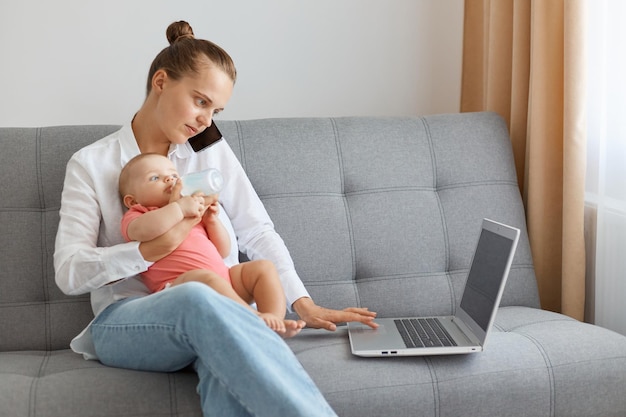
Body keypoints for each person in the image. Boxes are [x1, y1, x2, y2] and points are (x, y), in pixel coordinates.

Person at [54, 20, 377, 417]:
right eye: (200, 101)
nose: (206, 119)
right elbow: (69, 271)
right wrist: (150, 250)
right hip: (129, 317)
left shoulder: (205, 146)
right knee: (196, 296)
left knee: (228, 370)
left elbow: (255, 228)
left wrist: (302, 302)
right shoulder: (92, 163)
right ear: (161, 82)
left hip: (226, 309)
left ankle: (250, 326)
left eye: (217, 109)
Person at [118, 152, 302, 334]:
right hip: (179, 288)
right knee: (203, 277)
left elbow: (223, 251)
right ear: (132, 200)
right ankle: (253, 318)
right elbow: (147, 230)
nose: (169, 180)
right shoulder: (139, 214)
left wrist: (212, 221)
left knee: (264, 267)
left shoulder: (192, 212)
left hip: (224, 281)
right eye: (155, 177)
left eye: (173, 175)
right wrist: (179, 208)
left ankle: (274, 323)